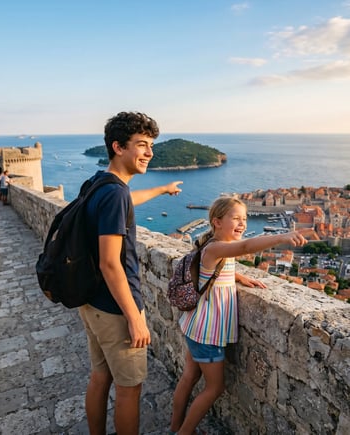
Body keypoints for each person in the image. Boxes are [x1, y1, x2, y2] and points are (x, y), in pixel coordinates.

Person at [78, 111, 183, 435]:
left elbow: (127, 201)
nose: (149, 152)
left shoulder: (99, 183)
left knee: (100, 377)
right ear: (118, 146)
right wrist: (135, 317)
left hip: (92, 302)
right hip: (115, 310)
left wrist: (162, 189)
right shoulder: (115, 192)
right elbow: (110, 263)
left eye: (151, 145)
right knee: (129, 389)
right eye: (142, 144)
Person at [169, 196, 309, 435]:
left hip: (195, 325)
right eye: (236, 218)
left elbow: (212, 273)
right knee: (215, 387)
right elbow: (245, 247)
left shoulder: (214, 246)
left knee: (189, 377)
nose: (242, 223)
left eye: (245, 218)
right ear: (217, 222)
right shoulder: (216, 247)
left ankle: (175, 428)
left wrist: (239, 277)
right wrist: (282, 237)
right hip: (207, 333)